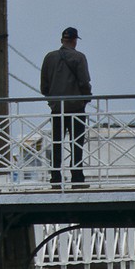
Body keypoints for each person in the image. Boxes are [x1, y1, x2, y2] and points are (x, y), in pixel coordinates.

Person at [41, 26, 92, 188]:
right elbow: (84, 82)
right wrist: (85, 98)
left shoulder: (49, 58)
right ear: (75, 40)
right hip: (76, 107)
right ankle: (77, 176)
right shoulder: (79, 57)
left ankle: (55, 176)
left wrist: (52, 100)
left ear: (62, 40)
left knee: (57, 141)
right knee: (76, 142)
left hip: (57, 108)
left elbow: (44, 86)